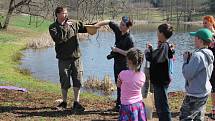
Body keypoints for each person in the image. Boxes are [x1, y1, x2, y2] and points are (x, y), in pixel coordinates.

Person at [49, 7, 87, 111]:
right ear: (57, 14)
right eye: (63, 13)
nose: (65, 15)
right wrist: (65, 27)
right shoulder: (53, 27)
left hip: (76, 58)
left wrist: (95, 26)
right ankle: (64, 102)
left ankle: (76, 102)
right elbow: (59, 39)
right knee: (64, 80)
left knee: (78, 79)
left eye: (66, 13)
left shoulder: (73, 23)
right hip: (63, 59)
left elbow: (85, 27)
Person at [95, 16, 134, 111]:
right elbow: (109, 21)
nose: (120, 26)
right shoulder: (118, 30)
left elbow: (129, 54)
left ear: (128, 27)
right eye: (120, 23)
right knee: (118, 84)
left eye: (123, 25)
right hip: (117, 63)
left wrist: (117, 50)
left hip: (125, 65)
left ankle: (125, 105)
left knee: (124, 86)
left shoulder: (130, 39)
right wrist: (97, 25)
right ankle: (118, 105)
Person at [179, 28, 214, 120]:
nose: (194, 39)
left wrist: (186, 61)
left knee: (185, 117)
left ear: (200, 40)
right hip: (204, 92)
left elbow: (187, 74)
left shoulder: (198, 56)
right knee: (198, 117)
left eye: (195, 37)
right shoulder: (209, 53)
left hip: (195, 94)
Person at [145, 23, 174, 121]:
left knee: (162, 106)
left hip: (160, 82)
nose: (156, 33)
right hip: (159, 81)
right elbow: (158, 56)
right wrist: (151, 49)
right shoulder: (164, 46)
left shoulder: (164, 46)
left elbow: (154, 58)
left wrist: (148, 52)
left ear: (161, 33)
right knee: (159, 105)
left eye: (158, 31)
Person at [117, 48, 147, 121]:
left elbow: (118, 85)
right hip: (139, 104)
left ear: (129, 61)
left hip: (126, 105)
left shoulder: (122, 74)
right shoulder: (142, 75)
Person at [203, 15, 215, 119]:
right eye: (203, 23)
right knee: (211, 88)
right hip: (209, 65)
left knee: (214, 88)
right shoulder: (205, 35)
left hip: (214, 65)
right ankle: (212, 109)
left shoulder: (213, 34)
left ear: (211, 22)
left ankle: (214, 111)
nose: (204, 25)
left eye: (205, 23)